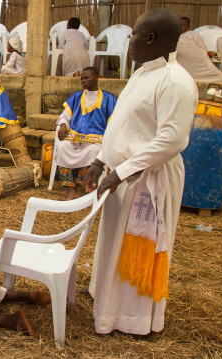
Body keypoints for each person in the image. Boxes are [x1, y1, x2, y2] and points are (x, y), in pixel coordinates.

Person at [84, 9, 198, 335]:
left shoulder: (177, 82)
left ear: (150, 38)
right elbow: (123, 124)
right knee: (113, 245)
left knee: (135, 249)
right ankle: (107, 301)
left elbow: (171, 140)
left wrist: (121, 172)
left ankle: (131, 318)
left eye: (132, 34)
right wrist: (100, 160)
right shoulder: (140, 74)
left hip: (148, 180)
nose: (128, 41)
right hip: (123, 175)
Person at [54, 67, 116, 200]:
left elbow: (113, 123)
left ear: (96, 78)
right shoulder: (76, 97)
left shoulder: (108, 99)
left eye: (86, 77)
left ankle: (78, 187)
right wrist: (63, 125)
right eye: (81, 78)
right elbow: (64, 116)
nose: (83, 80)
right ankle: (70, 189)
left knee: (94, 152)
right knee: (62, 148)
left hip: (95, 141)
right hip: (75, 139)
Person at [176, 17, 222, 82]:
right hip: (187, 66)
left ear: (188, 27)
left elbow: (203, 49)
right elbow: (220, 54)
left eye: (183, 25)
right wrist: (214, 54)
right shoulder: (221, 40)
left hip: (199, 64)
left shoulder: (192, 34)